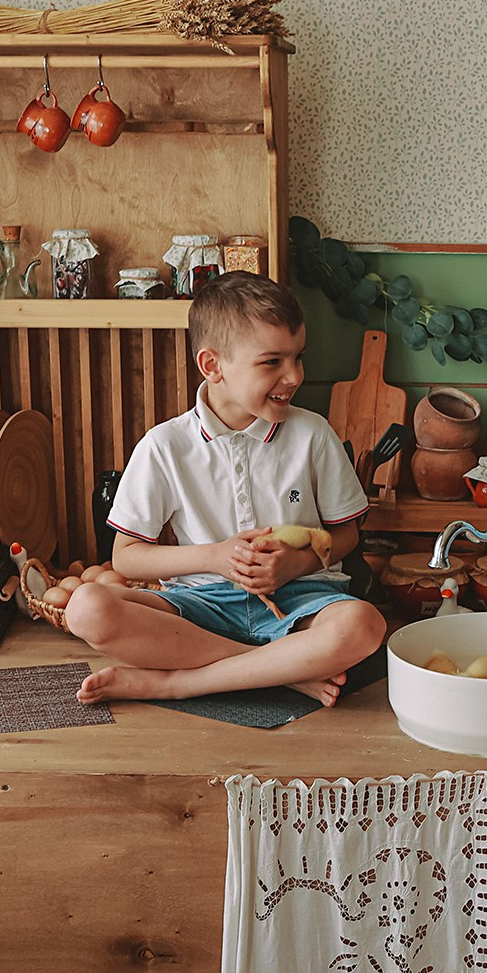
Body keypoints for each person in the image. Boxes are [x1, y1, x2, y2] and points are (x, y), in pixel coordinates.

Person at [68, 271, 385, 707]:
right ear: (212, 366)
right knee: (86, 608)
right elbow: (126, 556)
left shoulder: (313, 435)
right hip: (200, 606)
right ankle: (282, 672)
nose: (294, 376)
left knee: (364, 625)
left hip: (302, 601)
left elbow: (347, 534)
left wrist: (294, 565)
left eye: (298, 357)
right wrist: (214, 557)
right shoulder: (164, 446)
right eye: (272, 362)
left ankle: (178, 683)